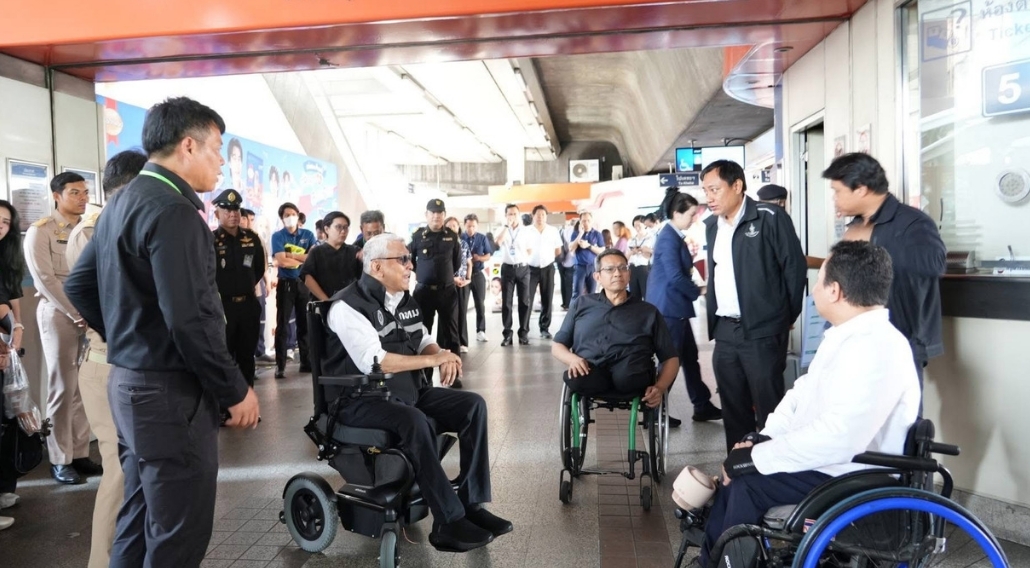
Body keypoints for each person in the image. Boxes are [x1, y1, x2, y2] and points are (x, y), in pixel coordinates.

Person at [64, 96, 260, 568]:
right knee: (177, 534)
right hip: (169, 395)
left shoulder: (122, 200)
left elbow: (79, 285)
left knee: (138, 517)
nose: (221, 164)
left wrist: (128, 336)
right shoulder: (174, 211)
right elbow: (191, 319)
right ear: (188, 146)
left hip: (129, 385)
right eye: (217, 150)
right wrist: (234, 390)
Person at [698, 240, 921, 567]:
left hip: (851, 474)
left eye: (818, 280)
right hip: (829, 464)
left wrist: (757, 459)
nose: (813, 289)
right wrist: (764, 439)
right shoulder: (847, 336)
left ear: (835, 291)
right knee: (739, 474)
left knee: (748, 485)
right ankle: (711, 560)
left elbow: (840, 437)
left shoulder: (877, 346)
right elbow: (800, 395)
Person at [324, 233, 512, 552]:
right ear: (376, 267)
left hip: (406, 392)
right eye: (403, 259)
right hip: (360, 400)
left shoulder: (404, 300)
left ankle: (471, 504)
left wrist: (443, 354)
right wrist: (432, 360)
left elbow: (423, 338)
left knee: (473, 406)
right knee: (413, 420)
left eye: (409, 258)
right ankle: (448, 522)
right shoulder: (347, 305)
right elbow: (375, 361)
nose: (411, 265)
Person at [64, 149, 147, 568]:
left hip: (135, 364)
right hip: (108, 362)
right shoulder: (93, 230)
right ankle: (103, 561)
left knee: (139, 470)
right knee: (119, 468)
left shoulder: (133, 222)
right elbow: (94, 294)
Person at [702, 159, 806, 452]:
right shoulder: (712, 226)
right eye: (705, 191)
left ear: (737, 185)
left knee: (769, 409)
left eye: (714, 189)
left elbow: (794, 269)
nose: (709, 197)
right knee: (733, 407)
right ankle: (739, 469)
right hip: (725, 330)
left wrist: (784, 317)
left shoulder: (770, 217)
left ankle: (775, 468)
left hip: (763, 330)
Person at [822, 153, 946, 390]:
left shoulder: (913, 223)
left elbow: (935, 264)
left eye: (837, 191)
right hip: (850, 338)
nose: (834, 198)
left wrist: (873, 249)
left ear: (861, 189)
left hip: (898, 341)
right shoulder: (856, 225)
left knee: (900, 413)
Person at [23, 171, 100, 485]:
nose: (82, 198)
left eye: (85, 192)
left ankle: (80, 452)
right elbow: (45, 279)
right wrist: (76, 313)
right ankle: (59, 458)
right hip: (58, 314)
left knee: (83, 385)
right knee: (62, 387)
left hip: (89, 315)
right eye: (74, 192)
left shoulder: (90, 228)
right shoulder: (40, 231)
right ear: (57, 196)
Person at [552, 248, 679, 405]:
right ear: (597, 277)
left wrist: (660, 387)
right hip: (591, 371)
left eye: (623, 268)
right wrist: (572, 359)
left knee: (627, 377)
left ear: (629, 274)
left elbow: (670, 357)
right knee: (577, 377)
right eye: (610, 269)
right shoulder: (581, 304)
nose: (618, 273)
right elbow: (558, 345)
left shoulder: (648, 312)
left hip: (632, 374)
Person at [647, 189, 723, 425]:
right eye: (691, 214)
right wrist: (699, 291)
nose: (694, 219)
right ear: (676, 213)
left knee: (689, 357)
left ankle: (702, 405)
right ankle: (654, 411)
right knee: (671, 361)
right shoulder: (668, 238)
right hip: (669, 308)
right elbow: (674, 277)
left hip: (674, 307)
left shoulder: (673, 235)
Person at [211, 189, 266, 388]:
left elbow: (258, 269)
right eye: (227, 210)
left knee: (246, 357)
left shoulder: (251, 238)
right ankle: (228, 402)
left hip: (248, 306)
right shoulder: (211, 240)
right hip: (223, 308)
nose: (233, 214)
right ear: (217, 214)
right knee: (224, 357)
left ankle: (248, 398)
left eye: (236, 210)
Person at [0, 199, 27, 531]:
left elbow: (12, 298)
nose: (1, 225)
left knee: (6, 419)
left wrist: (17, 330)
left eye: (6, 222)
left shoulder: (6, 258)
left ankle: (4, 487)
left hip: (6, 347)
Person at [409, 200, 463, 368]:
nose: (436, 216)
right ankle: (425, 376)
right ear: (426, 215)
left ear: (444, 215)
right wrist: (423, 274)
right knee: (422, 333)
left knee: (451, 334)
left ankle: (454, 372)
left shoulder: (452, 236)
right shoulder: (418, 236)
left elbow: (457, 262)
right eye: (432, 212)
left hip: (447, 292)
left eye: (439, 213)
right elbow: (410, 261)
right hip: (424, 293)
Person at [271, 201, 316, 379]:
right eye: (286, 215)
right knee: (282, 325)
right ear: (282, 219)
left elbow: (312, 258)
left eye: (293, 214)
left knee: (304, 323)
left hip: (303, 282)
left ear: (298, 216)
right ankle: (280, 365)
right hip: (286, 284)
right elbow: (281, 261)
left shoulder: (308, 234)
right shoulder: (278, 236)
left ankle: (306, 362)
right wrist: (300, 259)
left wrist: (291, 255)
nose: (290, 217)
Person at [301, 211, 362, 301]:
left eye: (345, 227)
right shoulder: (317, 252)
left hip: (349, 303)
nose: (343, 231)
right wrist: (327, 301)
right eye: (338, 227)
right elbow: (308, 279)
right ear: (327, 229)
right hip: (323, 302)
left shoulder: (354, 251)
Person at [494, 204, 531, 346]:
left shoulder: (525, 231)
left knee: (524, 302)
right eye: (510, 214)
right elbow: (497, 243)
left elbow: (530, 250)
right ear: (505, 215)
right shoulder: (501, 229)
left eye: (515, 214)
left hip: (523, 268)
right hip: (507, 269)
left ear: (519, 215)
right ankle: (507, 334)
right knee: (507, 302)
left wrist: (521, 257)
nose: (512, 216)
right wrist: (506, 226)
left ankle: (523, 333)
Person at [525, 205, 563, 339]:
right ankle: (524, 329)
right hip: (530, 268)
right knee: (527, 299)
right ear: (533, 216)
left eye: (543, 215)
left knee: (547, 298)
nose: (540, 217)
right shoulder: (526, 231)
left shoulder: (553, 231)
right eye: (538, 214)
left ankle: (544, 328)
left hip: (548, 268)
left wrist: (547, 257)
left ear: (546, 216)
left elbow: (558, 250)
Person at [462, 214, 492, 343]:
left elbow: (488, 255)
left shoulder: (482, 238)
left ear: (477, 226)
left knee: (480, 304)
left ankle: (481, 331)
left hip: (478, 274)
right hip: (463, 276)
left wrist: (479, 258)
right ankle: (461, 334)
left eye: (473, 226)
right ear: (465, 225)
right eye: (469, 226)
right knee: (463, 305)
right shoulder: (460, 238)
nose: (471, 229)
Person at [445, 217, 474, 356]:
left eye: (454, 225)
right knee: (447, 314)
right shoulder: (442, 244)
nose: (452, 228)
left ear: (458, 228)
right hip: (447, 283)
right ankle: (445, 343)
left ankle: (463, 342)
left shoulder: (463, 243)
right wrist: (452, 279)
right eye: (449, 226)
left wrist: (468, 279)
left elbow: (469, 263)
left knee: (462, 312)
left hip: (462, 283)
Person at [569, 212, 605, 301]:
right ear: (580, 222)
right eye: (584, 221)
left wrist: (588, 246)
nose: (586, 223)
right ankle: (575, 309)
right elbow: (571, 248)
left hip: (593, 267)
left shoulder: (597, 234)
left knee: (592, 293)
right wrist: (580, 234)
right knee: (577, 293)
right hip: (579, 266)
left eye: (588, 220)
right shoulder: (576, 233)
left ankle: (591, 309)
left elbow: (602, 251)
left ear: (592, 221)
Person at [627, 215, 655, 301]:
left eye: (639, 225)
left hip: (644, 267)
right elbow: (626, 256)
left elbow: (656, 253)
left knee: (647, 294)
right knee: (634, 296)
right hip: (632, 268)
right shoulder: (632, 239)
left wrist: (646, 250)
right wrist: (632, 252)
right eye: (635, 226)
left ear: (645, 225)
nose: (637, 228)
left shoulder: (651, 238)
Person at [557, 219, 577, 310]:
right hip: (570, 261)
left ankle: (564, 302)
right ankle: (568, 303)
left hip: (561, 260)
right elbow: (571, 248)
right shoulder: (574, 232)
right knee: (569, 283)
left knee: (563, 282)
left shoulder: (562, 231)